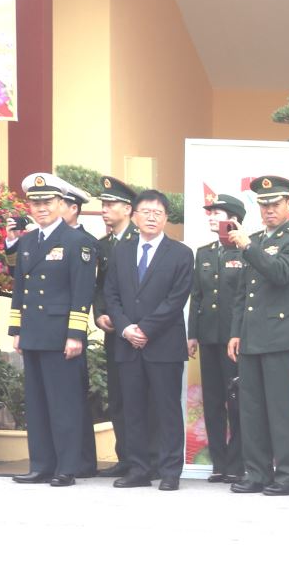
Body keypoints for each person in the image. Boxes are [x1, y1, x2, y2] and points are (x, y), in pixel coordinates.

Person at [8, 173, 97, 487]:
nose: (41, 208)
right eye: (35, 202)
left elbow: (81, 292)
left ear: (62, 204)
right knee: (37, 403)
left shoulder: (78, 242)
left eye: (47, 202)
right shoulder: (29, 241)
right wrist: (16, 329)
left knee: (64, 403)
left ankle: (66, 467)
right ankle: (41, 465)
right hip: (33, 333)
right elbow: (21, 288)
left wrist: (75, 335)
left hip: (61, 335)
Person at [102, 189, 193, 491]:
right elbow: (110, 294)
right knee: (133, 408)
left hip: (163, 344)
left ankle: (169, 471)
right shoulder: (121, 251)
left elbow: (176, 299)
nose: (152, 217)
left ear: (167, 218)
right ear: (135, 215)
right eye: (146, 211)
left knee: (167, 409)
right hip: (127, 344)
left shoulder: (180, 253)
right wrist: (126, 328)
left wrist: (146, 329)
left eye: (158, 212)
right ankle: (138, 469)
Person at [226, 174, 289, 496]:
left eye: (275, 204)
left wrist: (249, 246)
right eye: (264, 205)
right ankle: (256, 472)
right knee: (251, 409)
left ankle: (288, 477)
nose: (269, 210)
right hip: (251, 335)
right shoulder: (256, 237)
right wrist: (235, 332)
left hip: (280, 335)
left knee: (281, 410)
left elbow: (281, 273)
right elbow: (243, 292)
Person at [188, 192, 247, 483]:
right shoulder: (205, 251)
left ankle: (237, 464)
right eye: (209, 213)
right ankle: (219, 464)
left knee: (235, 400)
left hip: (235, 340)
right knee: (212, 401)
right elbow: (197, 297)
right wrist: (192, 334)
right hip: (209, 336)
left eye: (217, 213)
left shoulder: (247, 250)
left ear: (233, 219)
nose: (211, 217)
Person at [91, 176, 139, 478]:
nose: (105, 210)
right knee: (119, 396)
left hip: (140, 332)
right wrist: (99, 314)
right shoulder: (103, 245)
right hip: (114, 332)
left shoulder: (141, 238)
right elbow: (100, 286)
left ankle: (147, 458)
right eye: (103, 205)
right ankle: (125, 458)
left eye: (110, 205)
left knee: (141, 397)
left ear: (127, 208)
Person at [56, 178, 101, 478]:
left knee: (74, 398)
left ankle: (84, 461)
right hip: (45, 333)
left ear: (73, 209)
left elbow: (84, 292)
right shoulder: (42, 239)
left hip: (71, 331)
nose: (49, 209)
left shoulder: (85, 242)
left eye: (57, 203)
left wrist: (76, 332)